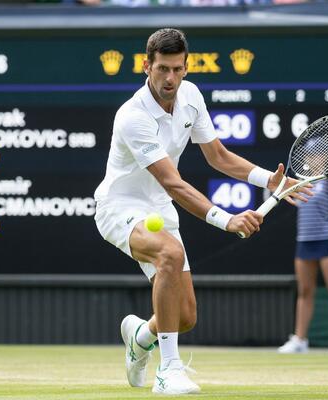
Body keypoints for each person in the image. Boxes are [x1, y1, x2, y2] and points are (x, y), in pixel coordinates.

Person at [94, 28, 310, 395]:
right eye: (162, 69)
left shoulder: (191, 96)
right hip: (119, 208)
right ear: (147, 66)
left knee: (183, 317)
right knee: (170, 252)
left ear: (187, 67)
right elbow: (173, 183)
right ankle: (169, 371)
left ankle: (140, 338)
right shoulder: (133, 116)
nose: (170, 78)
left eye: (177, 69)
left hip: (158, 208)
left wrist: (267, 181)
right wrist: (228, 220)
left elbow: (218, 156)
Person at [278, 175, 328, 355]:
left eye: (316, 154)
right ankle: (300, 340)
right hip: (304, 241)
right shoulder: (299, 182)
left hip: (326, 240)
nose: (312, 158)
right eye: (308, 155)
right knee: (305, 292)